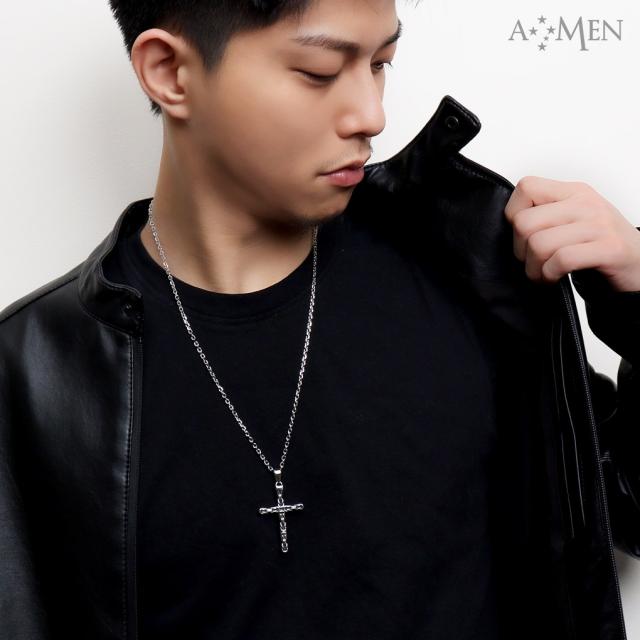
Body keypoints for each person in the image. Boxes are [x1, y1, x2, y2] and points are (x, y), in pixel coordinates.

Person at [1, 1, 639, 639]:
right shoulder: (34, 372)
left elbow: (628, 510)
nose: (371, 115)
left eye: (381, 64)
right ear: (169, 72)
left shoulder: (468, 268)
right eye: (319, 72)